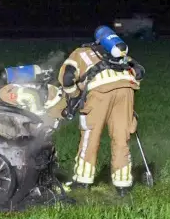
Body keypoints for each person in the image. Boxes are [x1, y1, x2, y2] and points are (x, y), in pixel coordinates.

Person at [57, 26, 145, 196]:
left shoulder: (79, 53)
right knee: (121, 136)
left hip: (99, 93)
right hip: (126, 88)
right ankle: (122, 184)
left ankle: (83, 180)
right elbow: (139, 72)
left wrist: (74, 96)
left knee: (91, 135)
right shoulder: (119, 54)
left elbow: (67, 77)